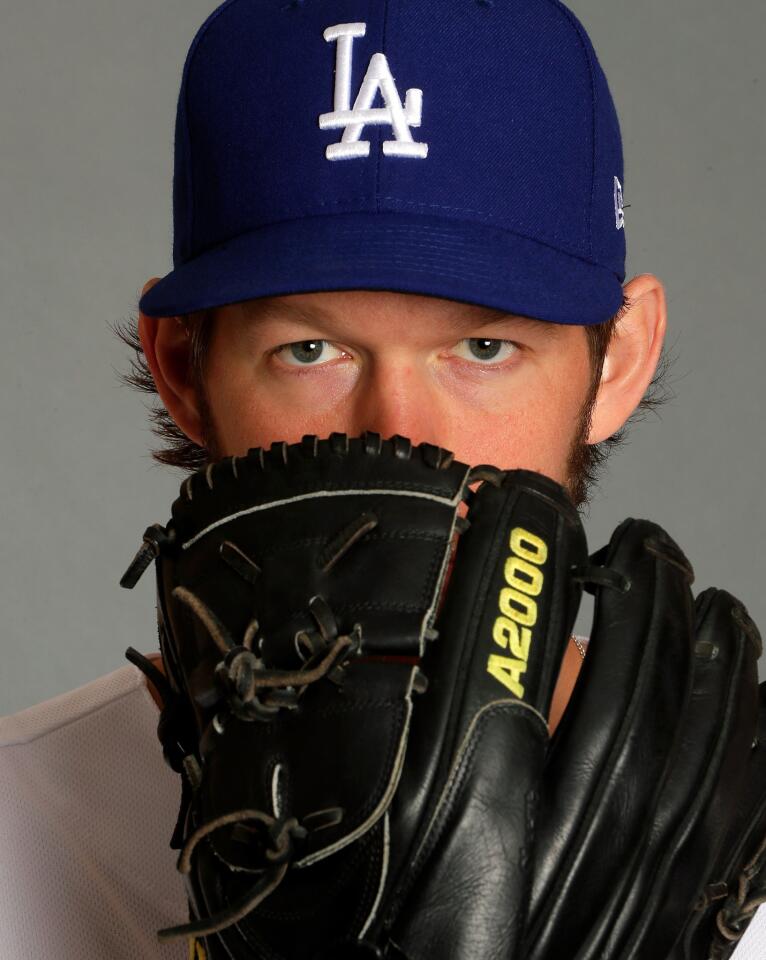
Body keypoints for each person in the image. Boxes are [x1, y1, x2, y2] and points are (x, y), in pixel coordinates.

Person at [0, 0, 762, 957]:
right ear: (183, 369)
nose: (401, 435)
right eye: (310, 348)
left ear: (619, 360)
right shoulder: (17, 837)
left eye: (484, 347)